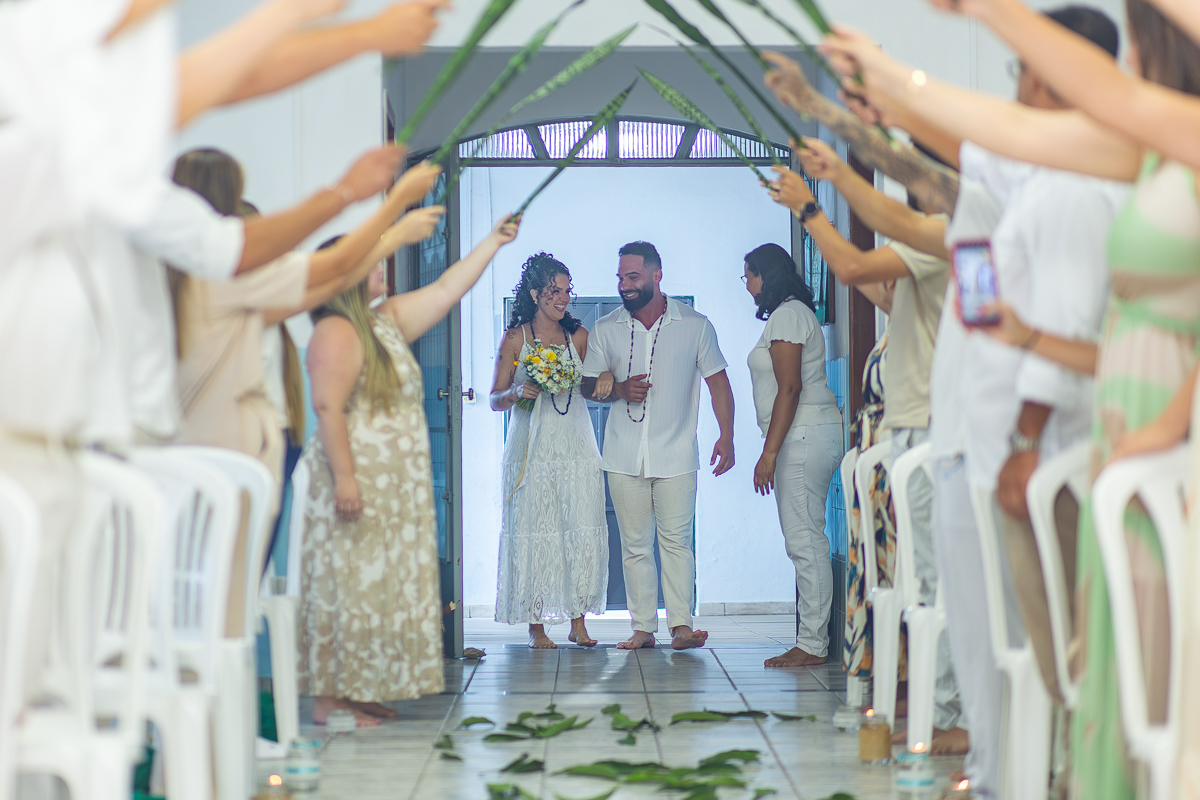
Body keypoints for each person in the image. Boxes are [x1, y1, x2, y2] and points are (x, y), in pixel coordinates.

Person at [823, 7, 1198, 798]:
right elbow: (994, 138)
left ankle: (1030, 774)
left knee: (1107, 656)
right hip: (1106, 420)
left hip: (1111, 424)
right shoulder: (1118, 154)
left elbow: (1074, 109)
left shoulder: (1141, 145)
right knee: (1091, 655)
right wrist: (894, 97)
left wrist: (987, 17)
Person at [771, 139, 969, 750]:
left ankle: (952, 718)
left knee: (937, 583)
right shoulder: (928, 238)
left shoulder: (946, 232)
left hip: (935, 425)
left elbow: (857, 272)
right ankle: (933, 708)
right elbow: (879, 291)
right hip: (911, 426)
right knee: (918, 583)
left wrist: (812, 212)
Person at [298, 214, 520, 726]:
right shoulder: (336, 330)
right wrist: (347, 478)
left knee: (377, 587)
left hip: (390, 487)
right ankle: (332, 699)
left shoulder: (385, 321)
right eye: (373, 262)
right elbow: (329, 407)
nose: (385, 268)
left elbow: (447, 289)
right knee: (348, 585)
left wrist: (493, 241)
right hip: (352, 477)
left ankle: (360, 689)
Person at [169, 148, 440, 483]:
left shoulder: (176, 275)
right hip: (225, 452)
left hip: (200, 447)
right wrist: (394, 209)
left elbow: (334, 279)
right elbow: (336, 270)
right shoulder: (221, 276)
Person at [580, 241, 735, 651]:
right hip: (623, 453)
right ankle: (643, 628)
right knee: (634, 545)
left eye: (632, 277)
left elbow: (718, 381)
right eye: (620, 278)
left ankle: (681, 626)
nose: (624, 285)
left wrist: (727, 435)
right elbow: (588, 386)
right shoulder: (605, 328)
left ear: (656, 275)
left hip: (677, 452)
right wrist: (617, 390)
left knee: (676, 542)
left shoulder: (695, 325)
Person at [488, 253, 614, 649]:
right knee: (536, 530)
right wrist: (514, 392)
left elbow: (595, 383)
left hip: (575, 445)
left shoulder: (579, 337)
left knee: (578, 528)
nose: (563, 299)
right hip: (533, 447)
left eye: (566, 291)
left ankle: (579, 623)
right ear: (534, 293)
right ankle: (536, 625)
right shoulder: (516, 339)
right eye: (554, 291)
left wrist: (607, 375)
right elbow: (494, 398)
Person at [740, 244, 843, 667]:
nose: (746, 284)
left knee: (804, 540)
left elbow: (790, 387)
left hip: (801, 436)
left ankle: (813, 644)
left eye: (748, 275)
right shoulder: (796, 312)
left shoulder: (787, 315)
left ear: (766, 275)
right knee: (806, 537)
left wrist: (769, 452)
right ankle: (812, 639)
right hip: (808, 432)